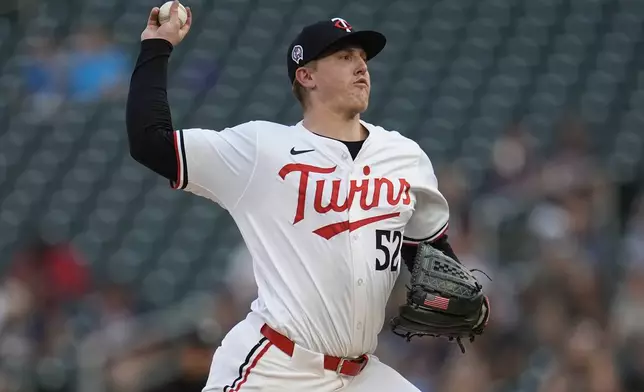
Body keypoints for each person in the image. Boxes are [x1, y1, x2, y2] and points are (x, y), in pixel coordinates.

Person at [126, 2, 468, 390]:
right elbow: (149, 142)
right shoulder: (262, 149)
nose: (361, 66)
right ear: (306, 76)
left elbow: (430, 253)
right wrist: (157, 46)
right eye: (344, 56)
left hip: (360, 374)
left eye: (362, 57)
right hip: (277, 367)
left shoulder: (404, 157)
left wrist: (458, 295)